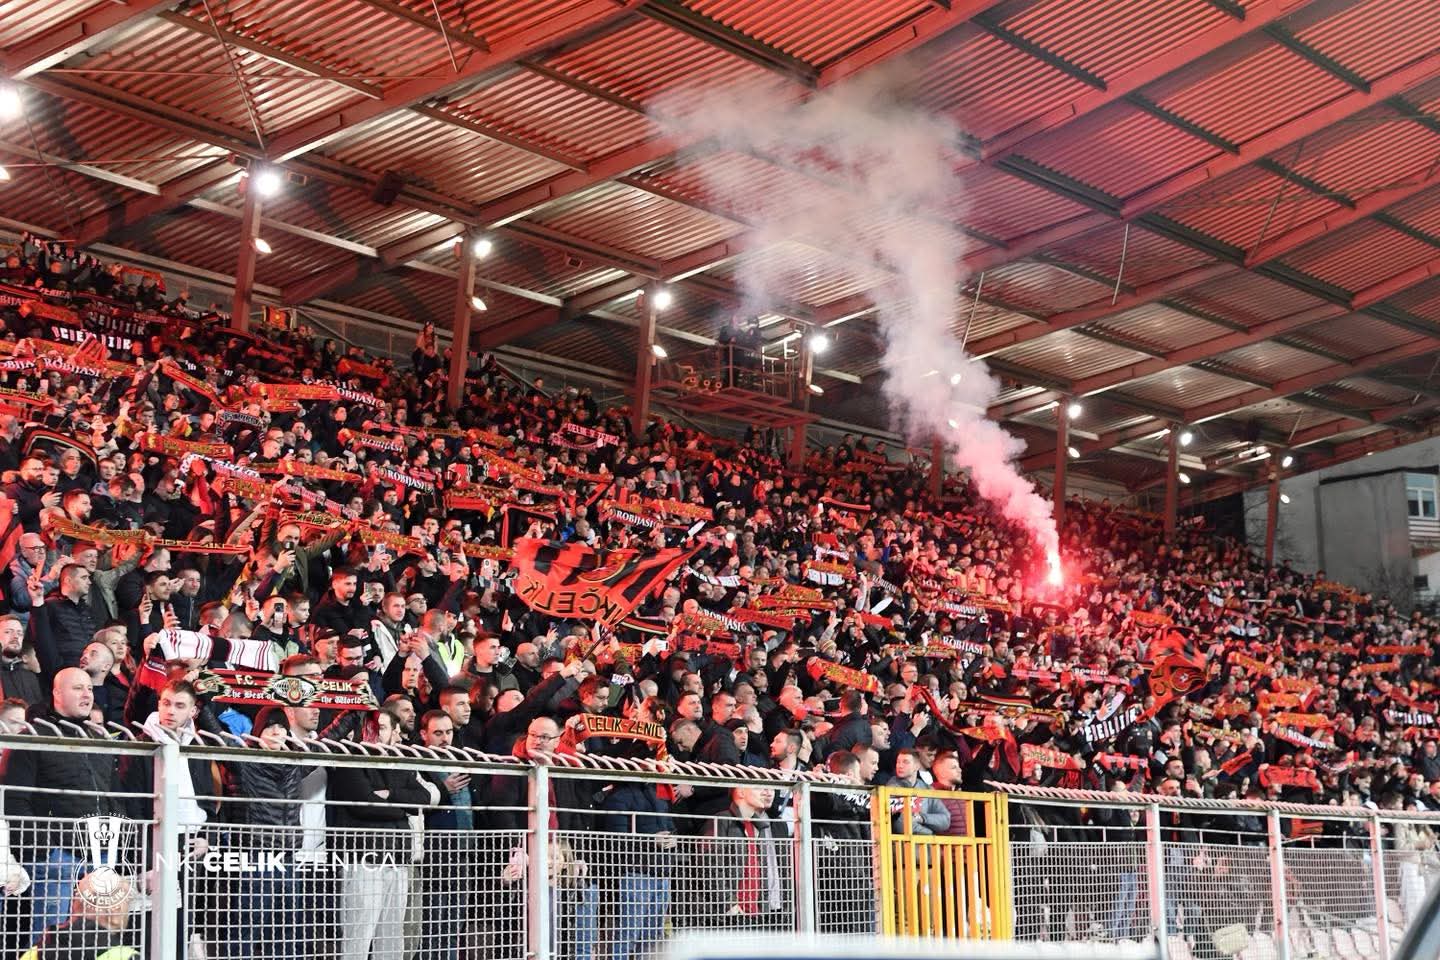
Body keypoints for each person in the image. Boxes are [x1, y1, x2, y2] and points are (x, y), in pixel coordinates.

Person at [4, 667, 122, 941]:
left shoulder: (99, 738)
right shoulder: (33, 737)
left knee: (100, 938)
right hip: (58, 859)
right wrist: (44, 851)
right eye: (77, 688)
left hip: (102, 856)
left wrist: (118, 844)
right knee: (51, 938)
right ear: (56, 693)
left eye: (89, 688)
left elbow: (114, 796)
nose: (87, 694)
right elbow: (15, 800)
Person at [330, 707, 438, 960]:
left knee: (392, 937)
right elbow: (366, 805)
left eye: (382, 728)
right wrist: (403, 808)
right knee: (358, 936)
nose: (377, 734)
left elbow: (425, 797)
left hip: (398, 860)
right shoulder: (350, 760)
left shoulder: (399, 762)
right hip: (365, 861)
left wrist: (391, 795)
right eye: (374, 728)